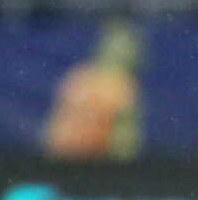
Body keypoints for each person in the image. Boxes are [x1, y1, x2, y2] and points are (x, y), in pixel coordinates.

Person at [43, 20, 144, 161]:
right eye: (117, 45)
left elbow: (125, 138)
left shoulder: (124, 86)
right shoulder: (79, 76)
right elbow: (56, 120)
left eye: (126, 46)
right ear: (104, 46)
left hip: (96, 162)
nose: (122, 51)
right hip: (63, 156)